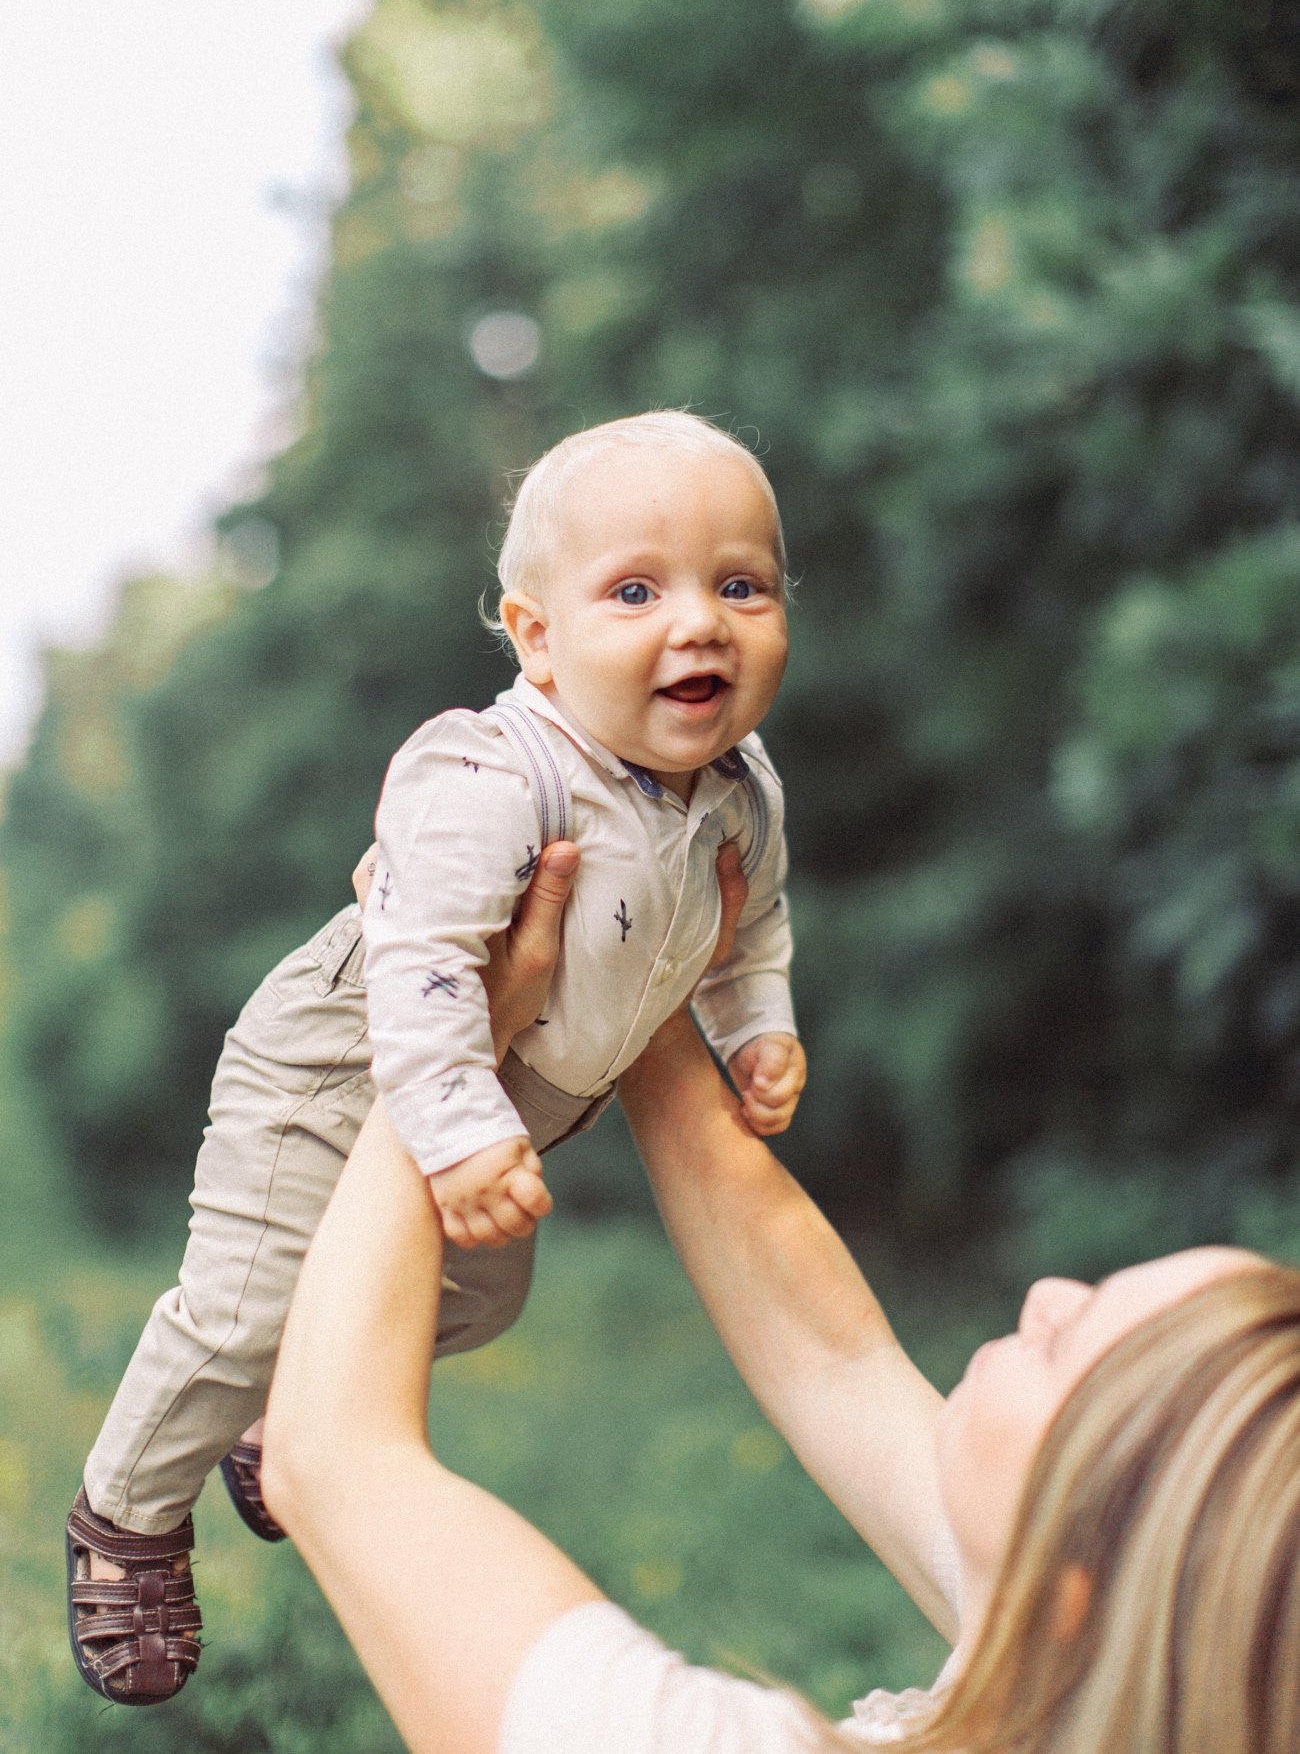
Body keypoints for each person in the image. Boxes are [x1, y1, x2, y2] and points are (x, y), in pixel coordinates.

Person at [66, 409, 807, 1705]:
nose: (700, 621)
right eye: (637, 589)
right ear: (538, 636)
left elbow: (753, 932)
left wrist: (758, 1027)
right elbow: (422, 969)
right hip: (343, 1066)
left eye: (739, 584)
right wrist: (461, 1125)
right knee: (241, 1309)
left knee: (478, 1300)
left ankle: (288, 1406)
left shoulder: (741, 789)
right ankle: (125, 1516)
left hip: (504, 1097)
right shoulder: (494, 768)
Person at [262, 842, 1300, 1753]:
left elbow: (334, 1461)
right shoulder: (1134, 1690)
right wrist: (643, 960)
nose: (1045, 1295)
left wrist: (445, 1030)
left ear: (1076, 1600)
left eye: (1076, 1350)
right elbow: (831, 1358)